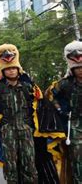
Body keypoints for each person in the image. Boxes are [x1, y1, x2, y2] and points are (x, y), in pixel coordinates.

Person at [0, 44, 39, 184]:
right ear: (3, 71)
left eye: (13, 68)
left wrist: (31, 124)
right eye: (7, 69)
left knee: (29, 162)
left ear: (18, 69)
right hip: (7, 130)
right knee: (10, 164)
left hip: (26, 129)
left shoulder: (28, 87)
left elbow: (39, 105)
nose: (11, 71)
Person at [46, 40, 82, 183]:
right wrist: (60, 109)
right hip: (74, 126)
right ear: (72, 68)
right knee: (77, 159)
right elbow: (49, 95)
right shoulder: (65, 83)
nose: (80, 70)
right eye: (77, 68)